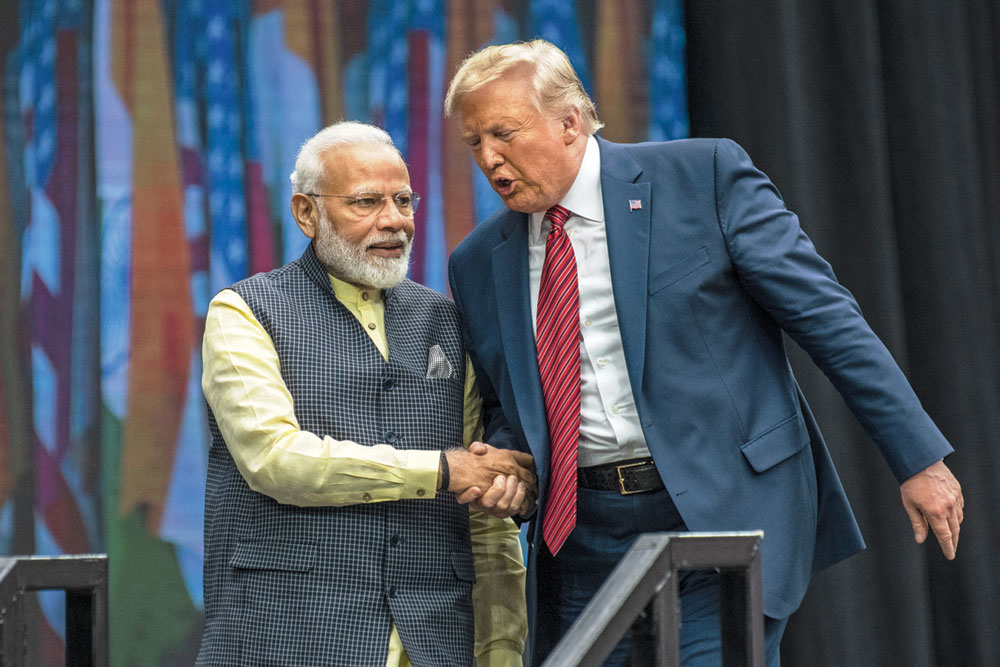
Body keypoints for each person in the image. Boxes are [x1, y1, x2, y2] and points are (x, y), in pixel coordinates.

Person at [444, 39, 964, 666]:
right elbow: (510, 406)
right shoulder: (476, 263)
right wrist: (510, 470)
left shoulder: (702, 177)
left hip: (718, 518)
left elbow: (828, 319)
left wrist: (918, 458)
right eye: (474, 142)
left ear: (569, 121)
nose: (489, 157)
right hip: (580, 544)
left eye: (503, 132)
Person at [196, 121, 535, 666]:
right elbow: (275, 460)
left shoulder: (446, 320)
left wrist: (501, 651)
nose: (395, 221)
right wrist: (442, 471)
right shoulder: (244, 311)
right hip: (288, 638)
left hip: (437, 641)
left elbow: (485, 518)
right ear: (306, 213)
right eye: (366, 202)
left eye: (404, 200)